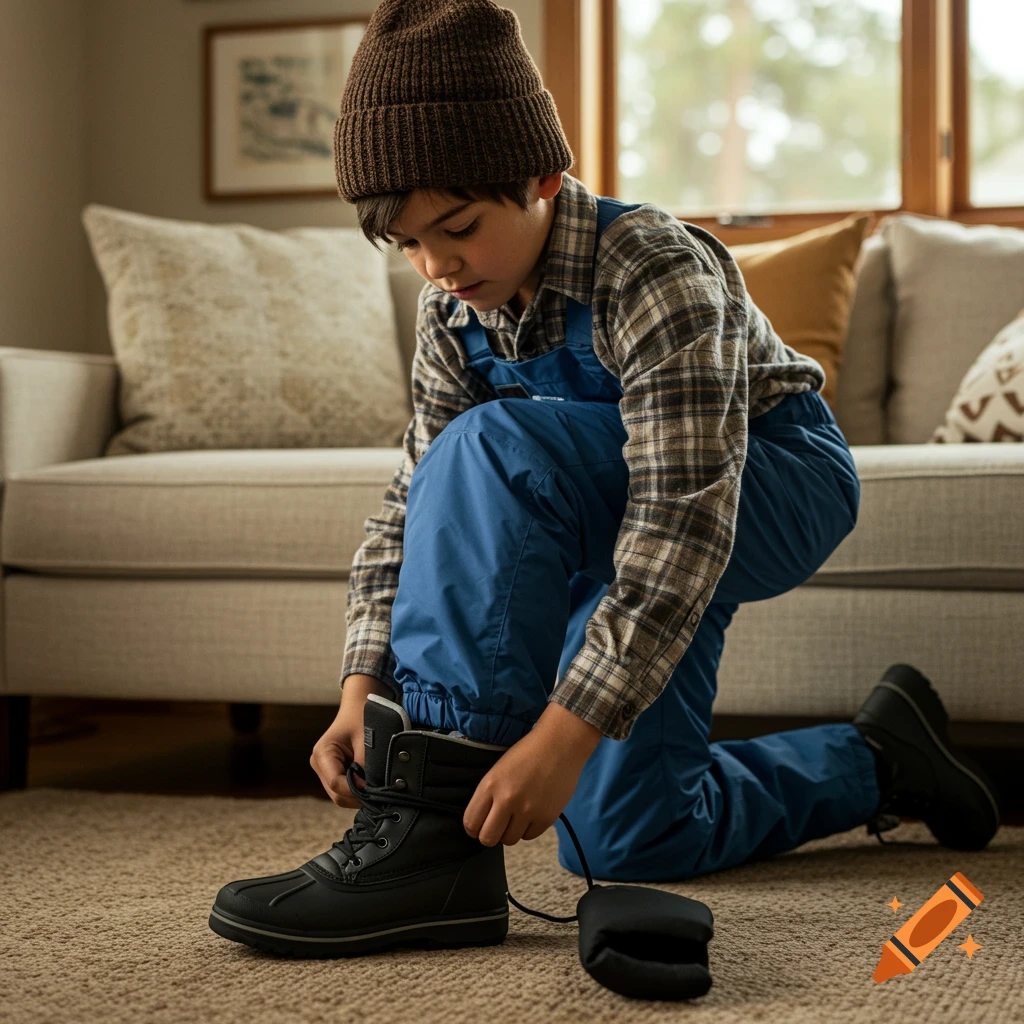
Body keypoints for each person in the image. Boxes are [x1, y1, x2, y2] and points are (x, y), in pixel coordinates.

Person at [208, 0, 1001, 958]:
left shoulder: (653, 266)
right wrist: (359, 689)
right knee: (629, 839)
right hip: (608, 504)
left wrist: (565, 730)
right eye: (409, 244)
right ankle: (879, 759)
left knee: (496, 444)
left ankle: (424, 827)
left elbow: (681, 515)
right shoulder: (450, 312)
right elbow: (411, 508)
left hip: (768, 481)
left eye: (456, 228)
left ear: (544, 177)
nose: (436, 265)